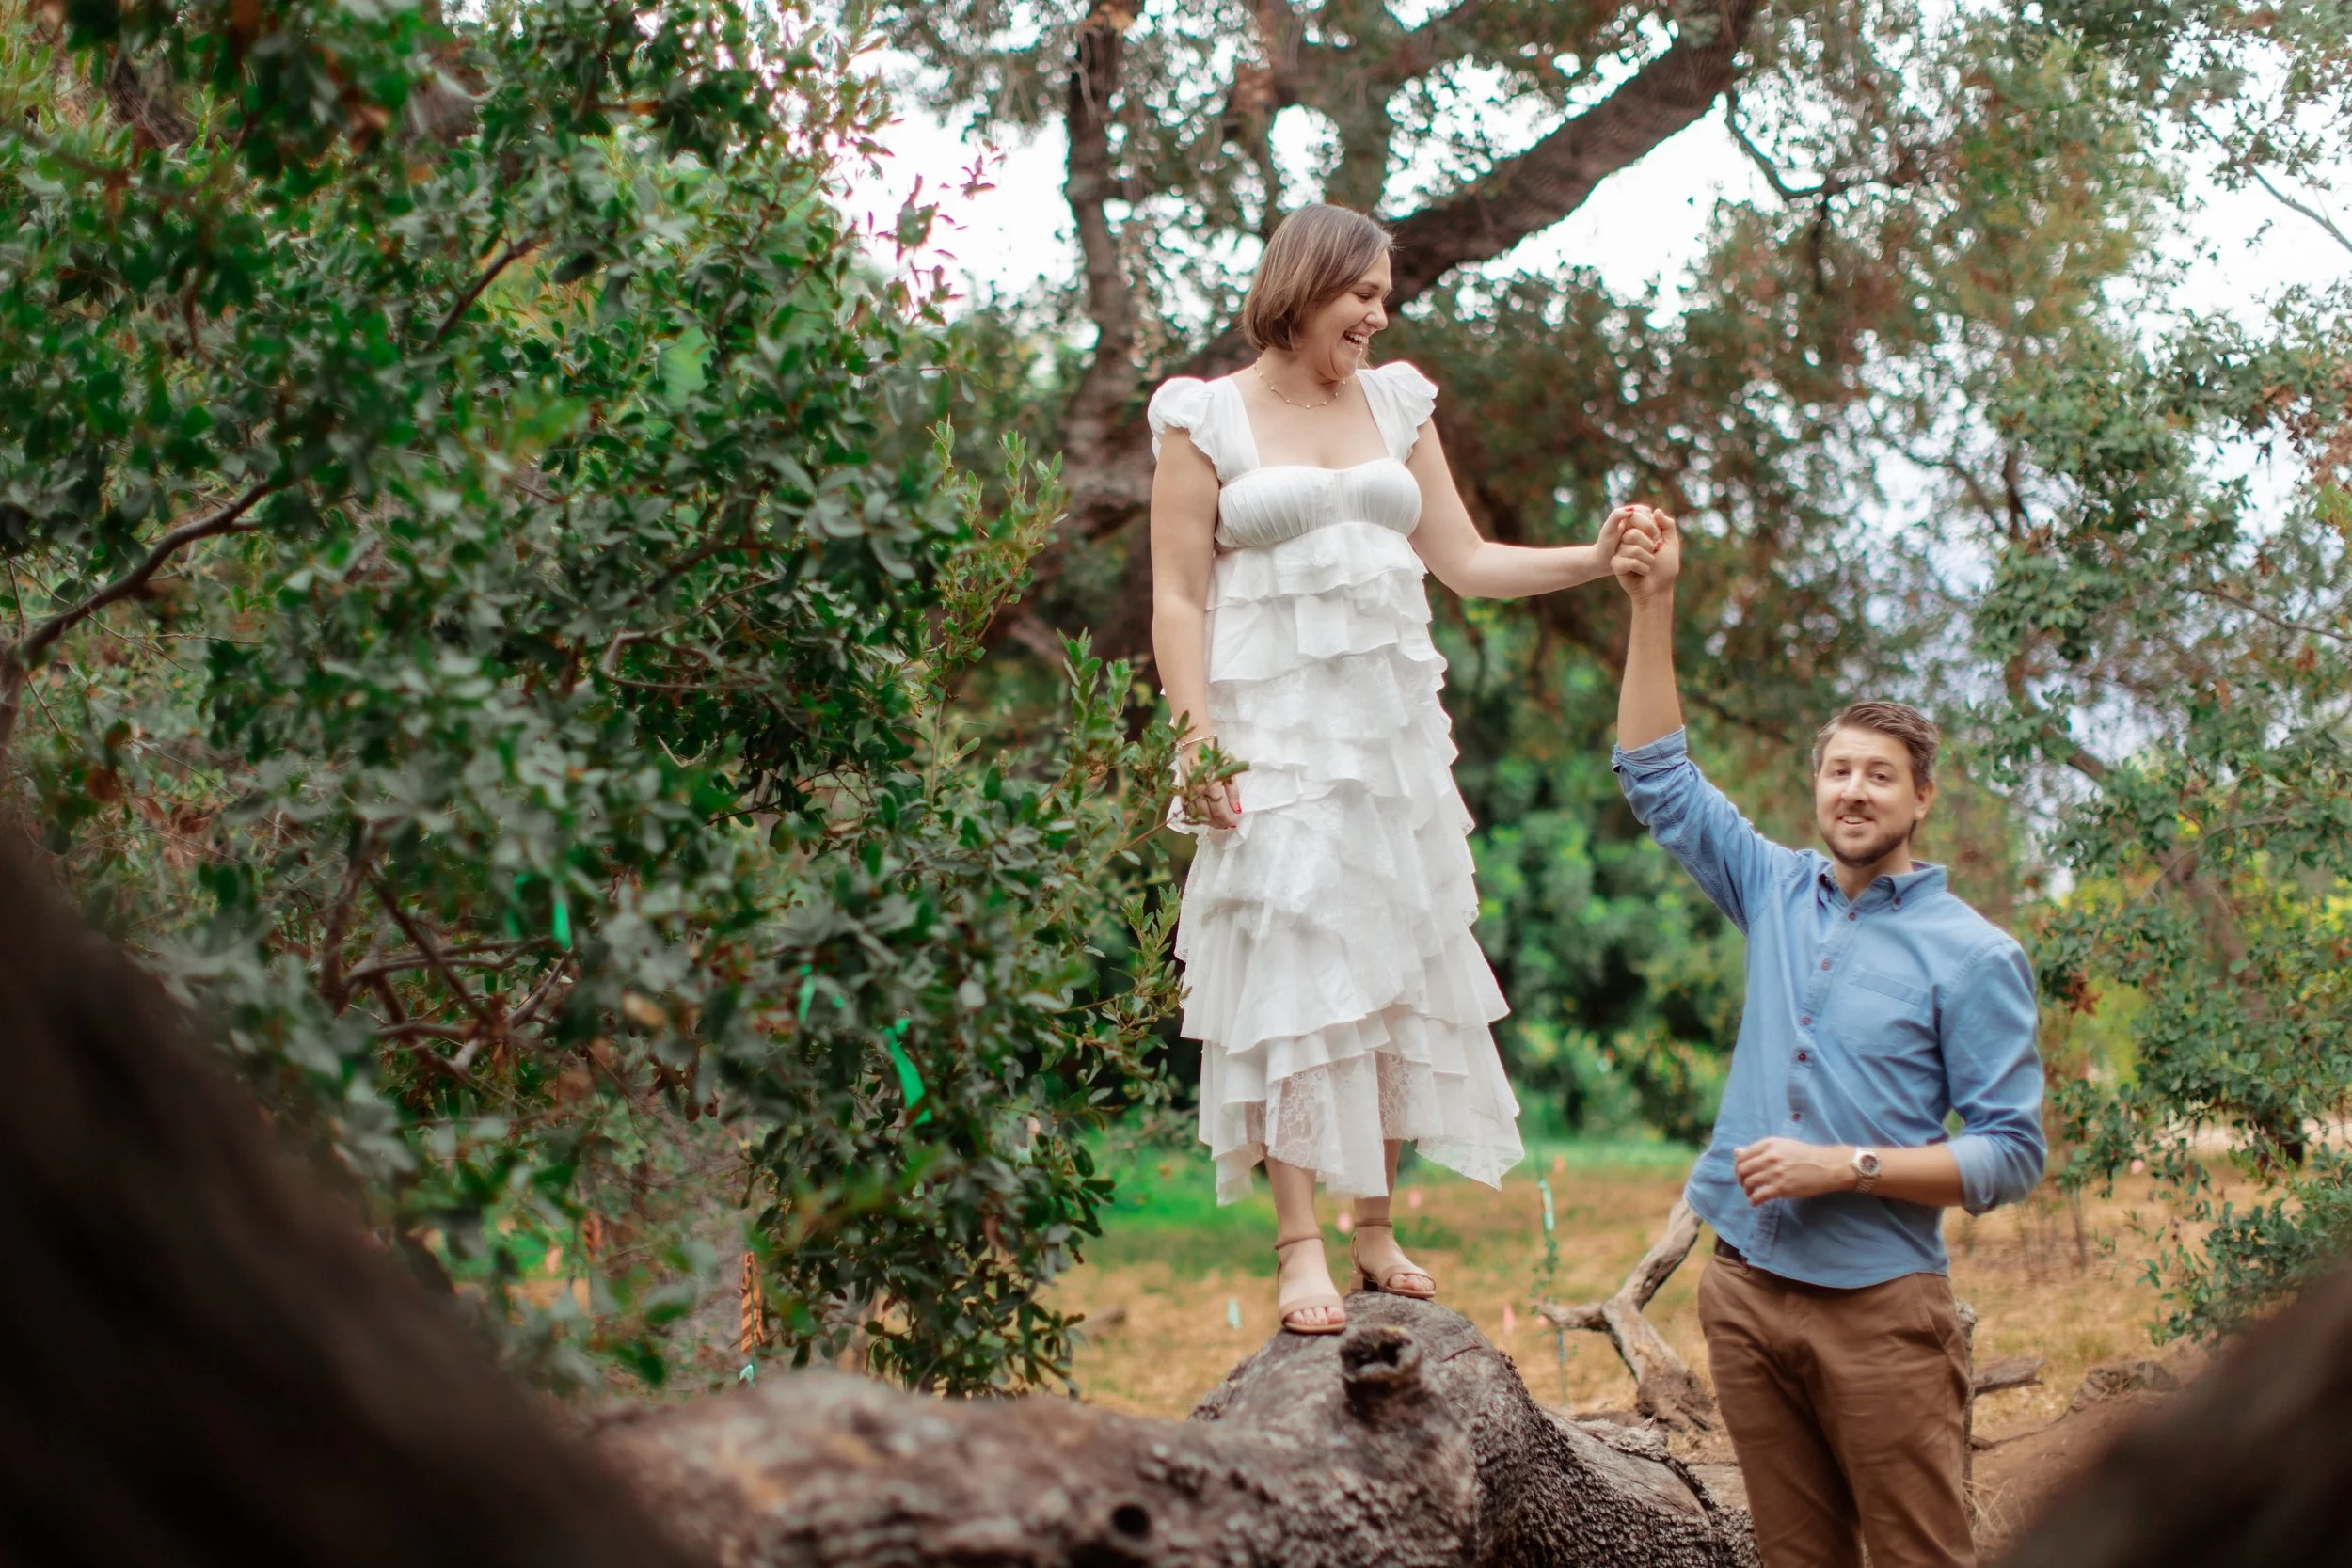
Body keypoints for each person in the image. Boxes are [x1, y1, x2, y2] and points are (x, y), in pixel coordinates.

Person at [1148, 201, 1648, 1335]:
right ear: (1303, 284)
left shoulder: (1395, 401)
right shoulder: (1204, 418)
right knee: (1288, 970)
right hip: (1267, 735)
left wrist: (1593, 558)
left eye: (1384, 294)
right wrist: (1191, 739)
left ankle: (1374, 1227)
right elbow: (1177, 596)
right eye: (1360, 292)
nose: (1378, 312)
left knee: (1389, 962)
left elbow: (1463, 561)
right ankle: (1298, 1245)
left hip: (1387, 741)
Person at [1607, 509, 2046, 1568]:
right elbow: (1656, 777)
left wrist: (1842, 1166)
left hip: (1882, 1314)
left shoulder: (1973, 953)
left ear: (1921, 796)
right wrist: (1652, 600)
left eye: (1879, 773)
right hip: (1744, 1290)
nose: (1853, 789)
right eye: (1838, 769)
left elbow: (2009, 1151)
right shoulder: (1771, 886)